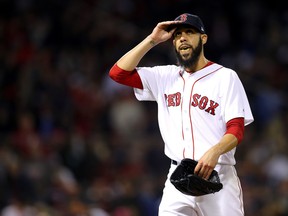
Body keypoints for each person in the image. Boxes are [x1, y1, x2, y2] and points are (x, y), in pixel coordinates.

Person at [109, 13, 254, 216]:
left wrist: (214, 151)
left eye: (189, 32)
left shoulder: (225, 77)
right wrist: (152, 40)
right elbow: (118, 73)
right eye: (177, 35)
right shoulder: (165, 76)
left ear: (203, 38)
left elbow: (236, 130)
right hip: (178, 176)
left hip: (217, 176)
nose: (182, 38)